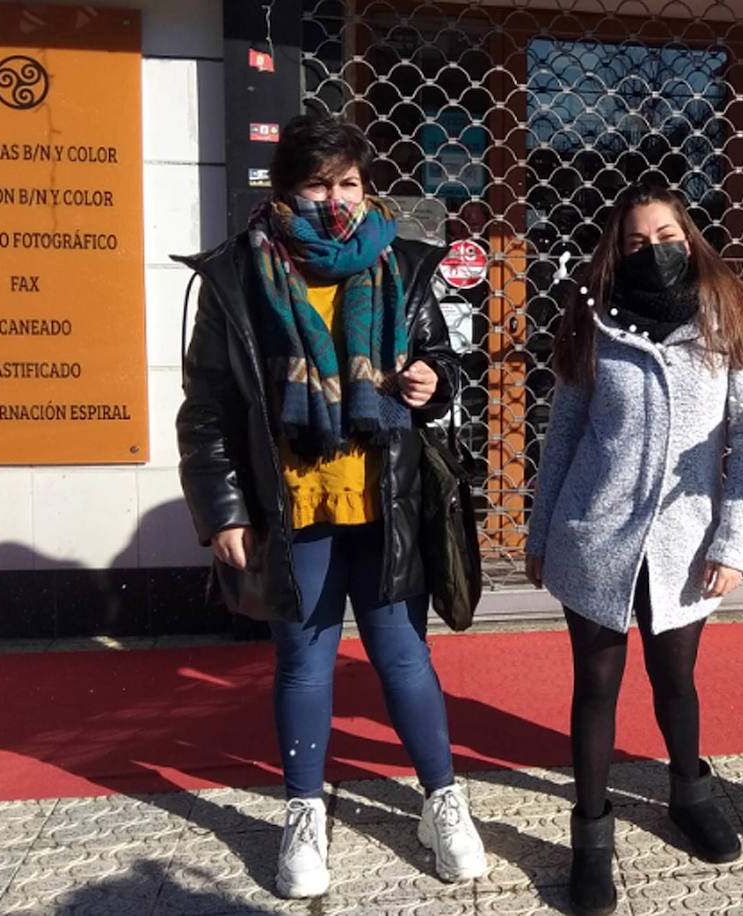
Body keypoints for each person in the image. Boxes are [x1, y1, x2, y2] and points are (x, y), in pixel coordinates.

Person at [174, 113, 487, 899]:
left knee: (402, 654)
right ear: (284, 190)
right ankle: (305, 811)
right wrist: (224, 511)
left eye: (348, 182)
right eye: (319, 183)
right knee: (304, 660)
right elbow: (206, 407)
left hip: (384, 498)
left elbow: (442, 362)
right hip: (294, 503)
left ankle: (441, 800)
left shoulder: (406, 263)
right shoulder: (235, 277)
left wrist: (432, 381)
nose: (336, 198)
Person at [524, 178, 743, 916]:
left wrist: (733, 540)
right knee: (596, 685)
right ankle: (591, 838)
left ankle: (688, 795)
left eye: (666, 237)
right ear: (616, 248)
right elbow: (564, 431)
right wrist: (540, 535)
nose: (653, 251)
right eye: (636, 241)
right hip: (593, 533)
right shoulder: (590, 317)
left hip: (685, 540)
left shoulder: (734, 315)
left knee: (677, 679)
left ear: (689, 236)